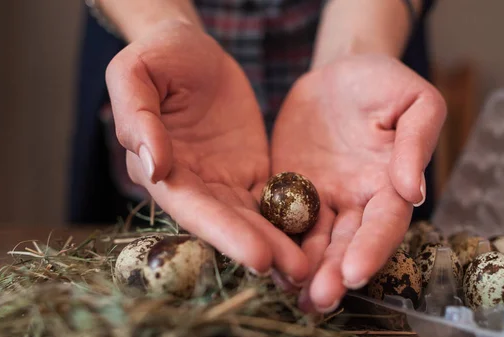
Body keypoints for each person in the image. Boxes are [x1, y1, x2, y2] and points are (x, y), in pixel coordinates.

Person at [69, 0, 446, 314]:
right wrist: (161, 23)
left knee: (367, 283)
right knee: (155, 272)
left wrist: (358, 46)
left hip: (347, 93)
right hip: (184, 97)